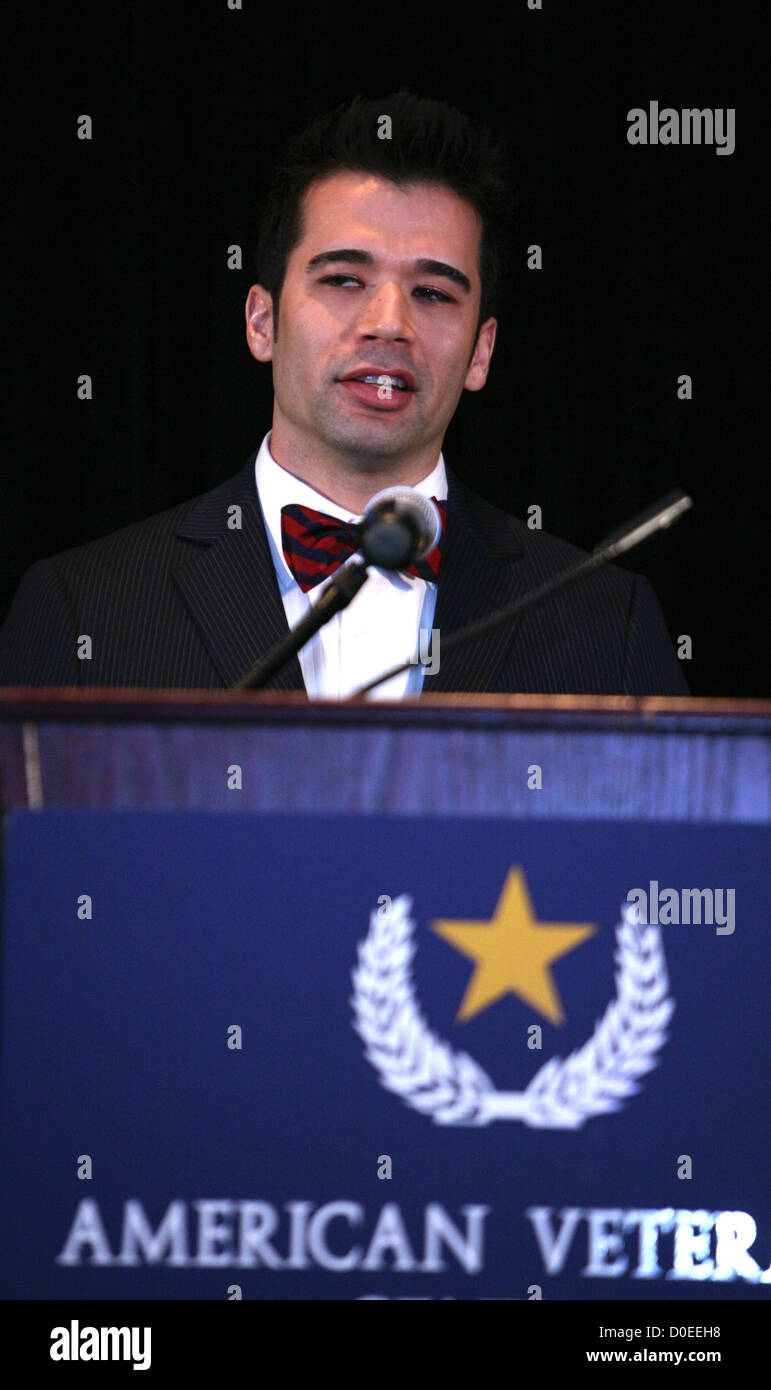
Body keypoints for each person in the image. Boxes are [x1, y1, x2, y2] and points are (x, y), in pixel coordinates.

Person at [0, 89, 688, 698]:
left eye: (432, 293)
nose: (389, 322)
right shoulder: (84, 609)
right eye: (342, 280)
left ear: (481, 352)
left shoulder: (604, 621)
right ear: (262, 321)